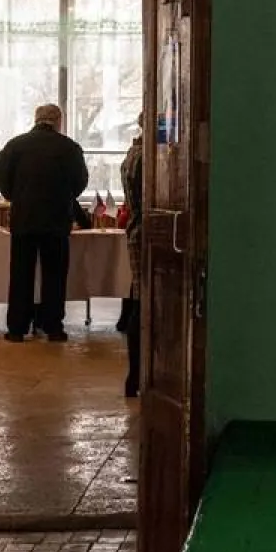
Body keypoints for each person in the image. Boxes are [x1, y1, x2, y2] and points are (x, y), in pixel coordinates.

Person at [0, 103, 88, 343]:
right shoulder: (70, 148)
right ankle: (53, 326)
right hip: (56, 221)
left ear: (36, 119)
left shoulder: (15, 145)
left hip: (23, 219)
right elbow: (80, 183)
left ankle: (17, 328)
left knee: (20, 274)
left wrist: (18, 197)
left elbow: (2, 180)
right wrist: (64, 197)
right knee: (55, 275)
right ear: (59, 121)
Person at [118, 113, 145, 398]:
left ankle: (134, 375)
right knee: (143, 304)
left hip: (135, 229)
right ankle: (136, 373)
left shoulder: (131, 154)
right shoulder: (145, 158)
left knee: (139, 297)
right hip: (146, 231)